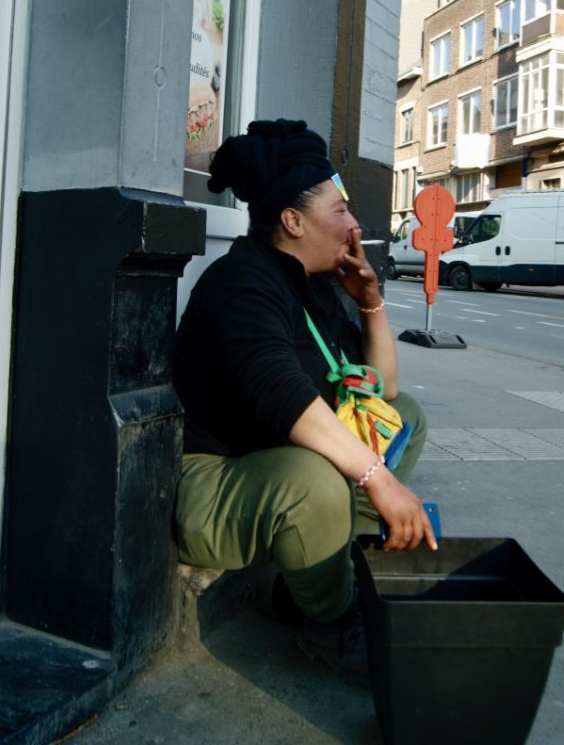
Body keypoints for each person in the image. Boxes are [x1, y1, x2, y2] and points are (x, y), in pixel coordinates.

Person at [174, 119, 437, 682]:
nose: (353, 224)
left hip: (276, 465)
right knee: (314, 477)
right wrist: (380, 482)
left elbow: (383, 391)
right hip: (216, 481)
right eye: (339, 210)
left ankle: (328, 570)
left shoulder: (315, 284)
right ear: (293, 221)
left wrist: (371, 301)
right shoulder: (241, 281)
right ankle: (330, 623)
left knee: (404, 416)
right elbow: (280, 392)